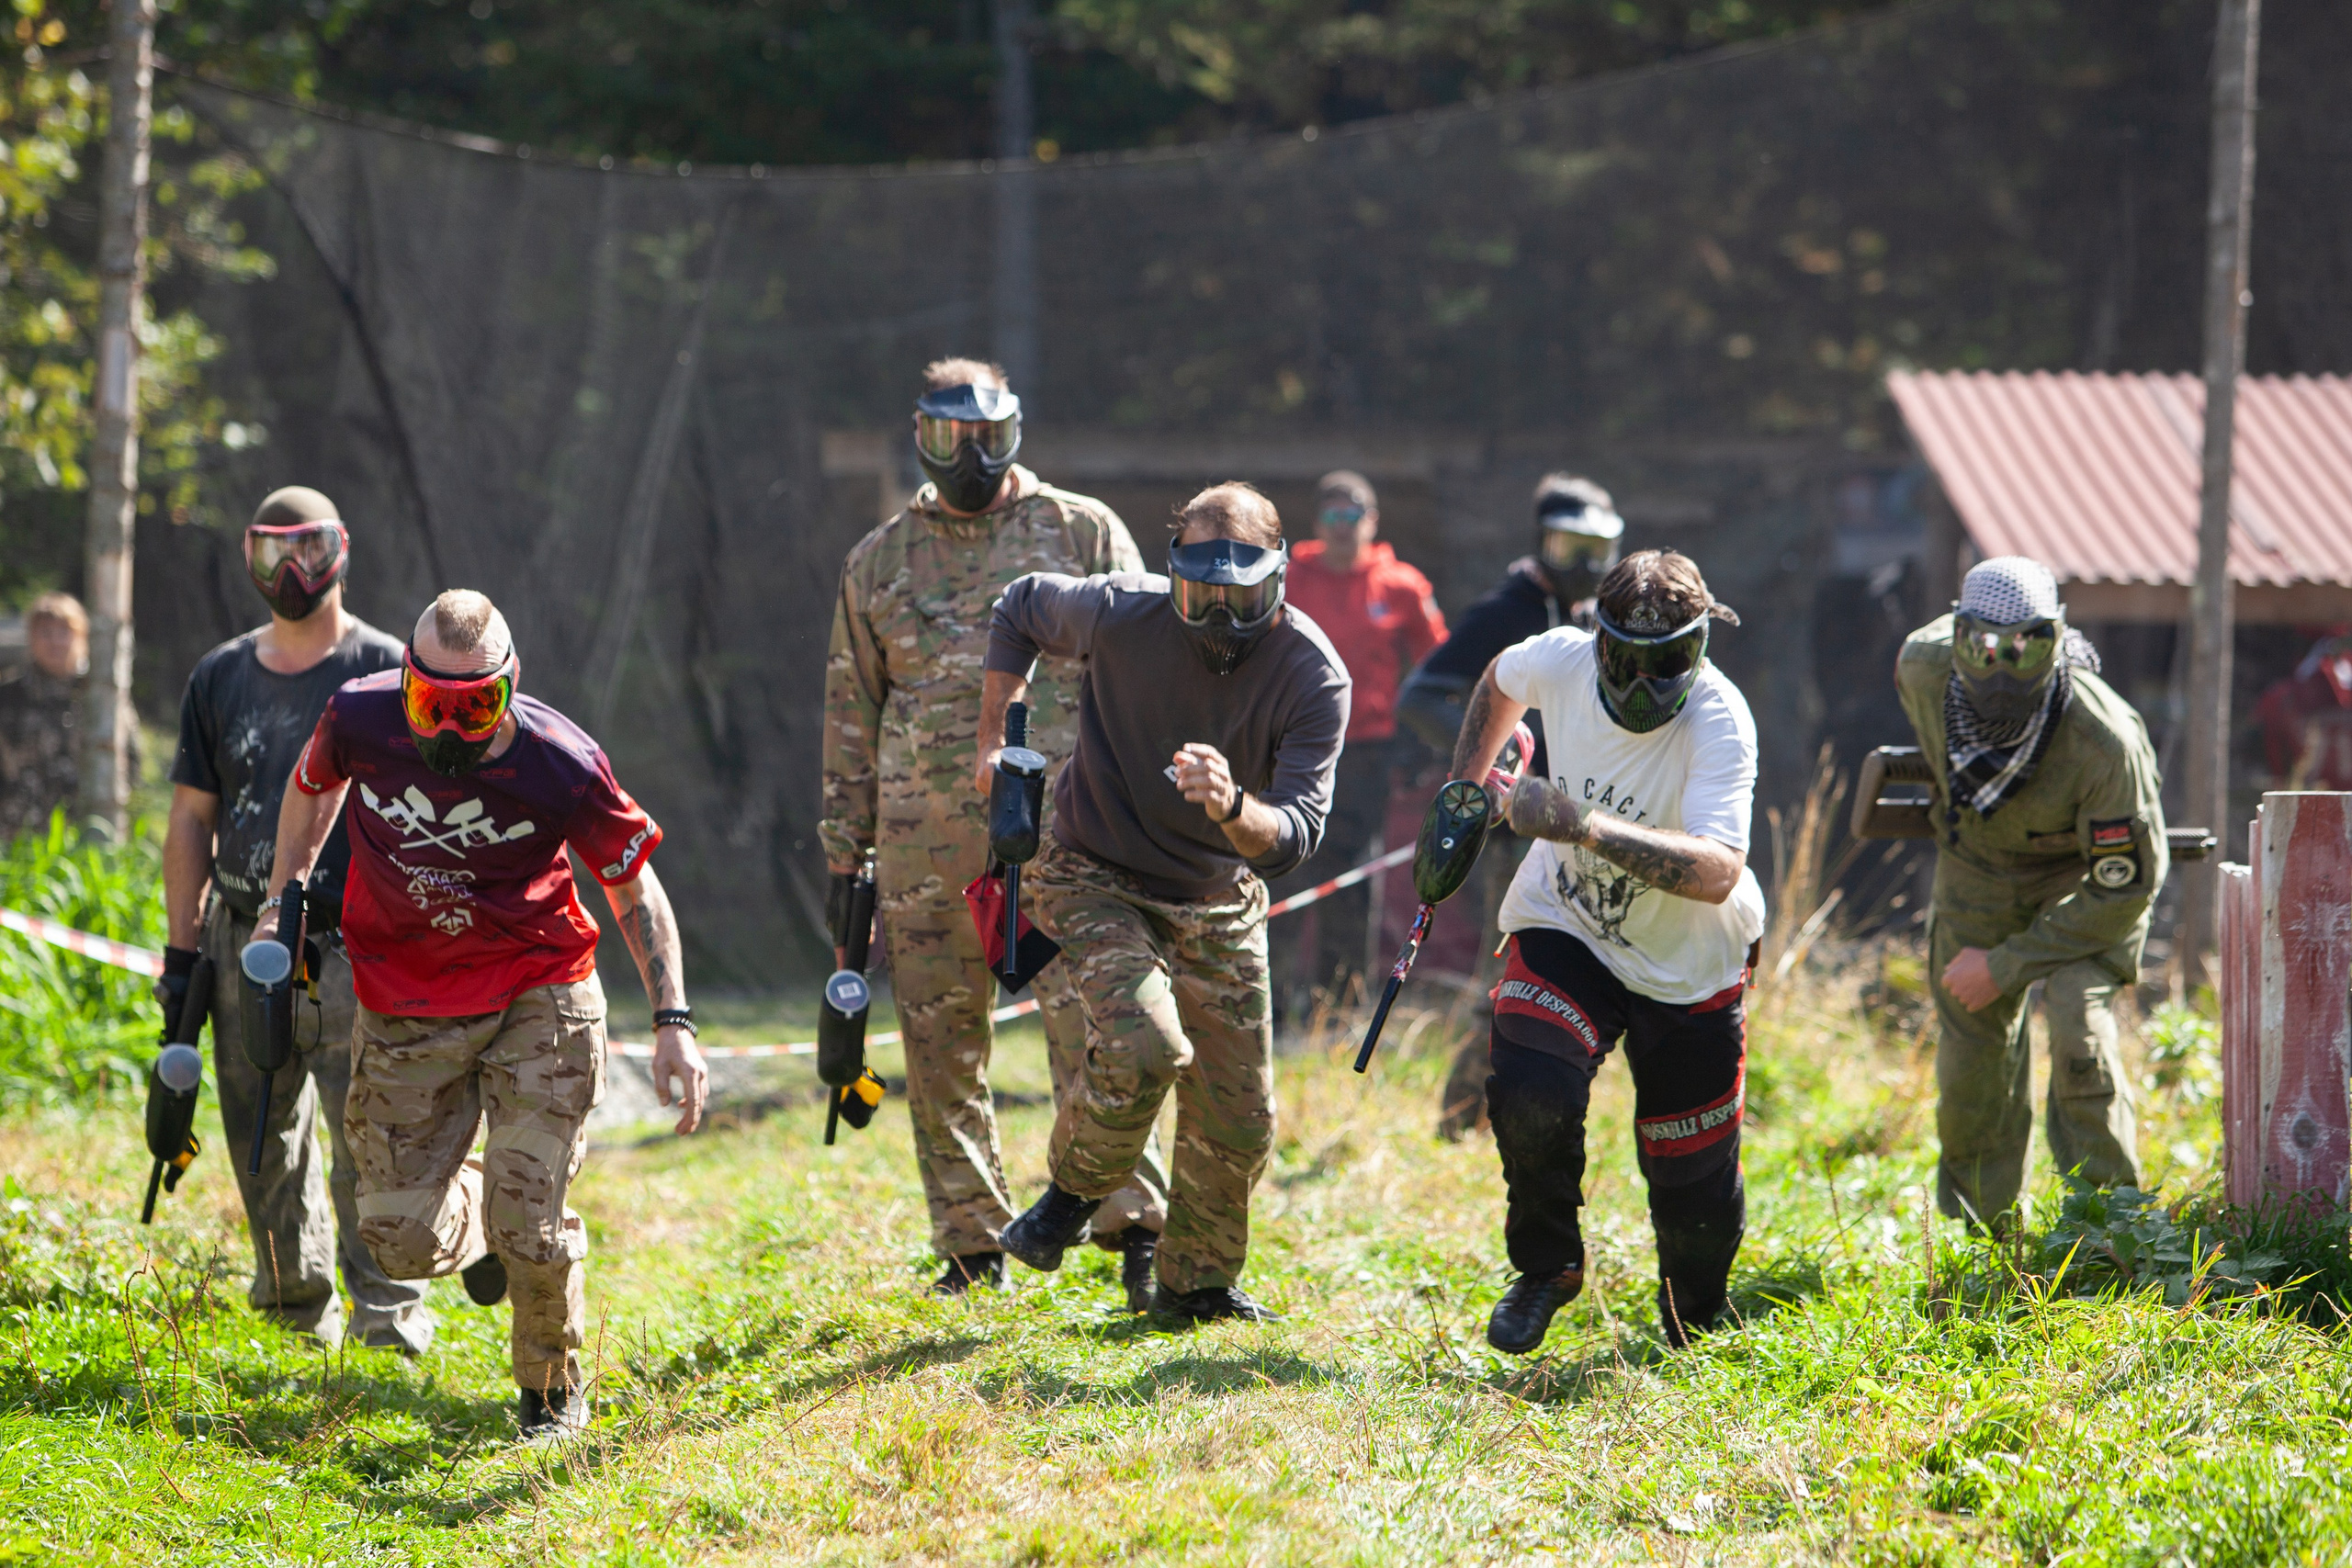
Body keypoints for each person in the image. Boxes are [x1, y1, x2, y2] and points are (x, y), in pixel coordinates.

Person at [268, 589, 708, 1439]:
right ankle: (491, 1227)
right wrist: (283, 902)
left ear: (512, 684)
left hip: (537, 987)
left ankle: (551, 1391)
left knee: (533, 1211)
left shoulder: (563, 762)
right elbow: (310, 787)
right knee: (394, 1234)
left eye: (477, 707)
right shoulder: (358, 719)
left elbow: (632, 886)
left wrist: (673, 1021)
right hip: (404, 996)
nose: (450, 729)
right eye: (431, 704)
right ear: (404, 683)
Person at [820, 357, 1162, 1303]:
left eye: (986, 438)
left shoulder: (1080, 531)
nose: (967, 458)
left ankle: (1133, 1227)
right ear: (918, 437)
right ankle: (971, 1247)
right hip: (922, 840)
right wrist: (845, 853)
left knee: (1098, 1027)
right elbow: (852, 710)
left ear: (1016, 433)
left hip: (1068, 835)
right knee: (938, 1045)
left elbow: (1148, 670)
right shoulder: (878, 560)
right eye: (945, 440)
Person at [979, 482, 1350, 1323]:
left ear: (1280, 580)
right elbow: (1018, 608)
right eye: (1198, 594)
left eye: (1241, 596)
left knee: (1242, 1115)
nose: (1217, 617)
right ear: (1171, 576)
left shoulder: (1313, 674)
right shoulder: (1120, 611)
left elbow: (1295, 837)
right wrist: (997, 747)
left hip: (1219, 889)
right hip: (1093, 868)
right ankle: (1070, 1199)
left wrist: (1228, 805)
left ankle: (1194, 1286)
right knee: (1148, 1046)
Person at [1447, 548, 1762, 1356]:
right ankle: (1547, 1266)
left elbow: (1720, 873)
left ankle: (1695, 1317)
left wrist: (1580, 823)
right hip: (1569, 923)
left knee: (1691, 1180)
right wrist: (1465, 789)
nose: (1648, 685)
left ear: (1701, 650)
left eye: (1673, 663)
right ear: (1596, 640)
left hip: (1687, 963)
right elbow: (1498, 677)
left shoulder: (1719, 719)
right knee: (1529, 1089)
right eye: (1628, 660)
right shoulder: (1558, 658)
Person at [158, 491, 433, 1352]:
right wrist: (180, 952)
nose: (290, 570)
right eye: (271, 550)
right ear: (248, 558)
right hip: (244, 938)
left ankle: (387, 1316)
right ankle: (292, 1306)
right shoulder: (220, 676)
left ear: (342, 552)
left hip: (361, 942)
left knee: (371, 1134)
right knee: (259, 1133)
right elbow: (190, 820)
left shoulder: (390, 669)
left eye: (307, 549)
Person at [1895, 557, 2165, 1227]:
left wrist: (2008, 964)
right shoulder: (1922, 669)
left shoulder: (2105, 740)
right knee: (1970, 1067)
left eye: (2028, 647)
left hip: (2082, 887)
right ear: (1956, 634)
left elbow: (2122, 889)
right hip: (1976, 869)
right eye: (1980, 646)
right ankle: (1977, 1232)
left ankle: (2108, 1228)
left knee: (2080, 1027)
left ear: (2060, 638)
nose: (2000, 669)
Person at [1398, 474, 1625, 1138]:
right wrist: (1492, 761)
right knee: (1510, 967)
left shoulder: (1594, 619)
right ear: (1541, 544)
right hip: (1512, 833)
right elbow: (1422, 696)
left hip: (1576, 825)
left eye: (1597, 549)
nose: (1585, 565)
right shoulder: (1506, 612)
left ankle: (1521, 1107)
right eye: (1570, 547)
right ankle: (1460, 1117)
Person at [1274, 470, 1445, 1001]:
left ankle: (1339, 1007)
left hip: (1366, 752)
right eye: (1332, 516)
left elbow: (1436, 667)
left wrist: (1424, 738)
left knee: (1350, 879)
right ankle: (1272, 1001)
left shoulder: (1402, 586)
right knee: (1279, 865)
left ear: (1372, 522)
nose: (1343, 528)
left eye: (1353, 517)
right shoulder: (1288, 577)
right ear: (1317, 522)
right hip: (1291, 744)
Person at [0, 592, 88, 847]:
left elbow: (129, 762)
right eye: (45, 633)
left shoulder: (99, 699)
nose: (55, 642)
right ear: (31, 639)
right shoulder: (8, 695)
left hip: (84, 837)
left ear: (80, 638)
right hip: (15, 837)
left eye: (64, 632)